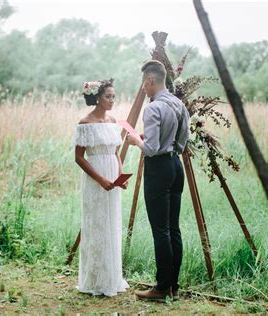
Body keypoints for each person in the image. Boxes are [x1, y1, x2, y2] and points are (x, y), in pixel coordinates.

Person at [127, 60, 189, 302]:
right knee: (173, 227)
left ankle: (161, 287)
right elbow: (183, 140)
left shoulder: (152, 108)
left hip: (158, 168)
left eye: (144, 83)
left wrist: (135, 141)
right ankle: (173, 285)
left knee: (160, 230)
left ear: (150, 81)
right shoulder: (178, 104)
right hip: (176, 165)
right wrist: (161, 144)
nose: (143, 88)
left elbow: (151, 149)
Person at [73, 78, 129, 297]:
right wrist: (100, 179)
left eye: (114, 96)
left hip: (112, 176)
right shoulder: (85, 123)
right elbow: (78, 157)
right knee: (96, 224)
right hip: (96, 178)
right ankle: (95, 280)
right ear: (97, 97)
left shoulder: (113, 120)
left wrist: (120, 175)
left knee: (112, 223)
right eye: (108, 96)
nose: (112, 100)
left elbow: (115, 152)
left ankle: (112, 278)